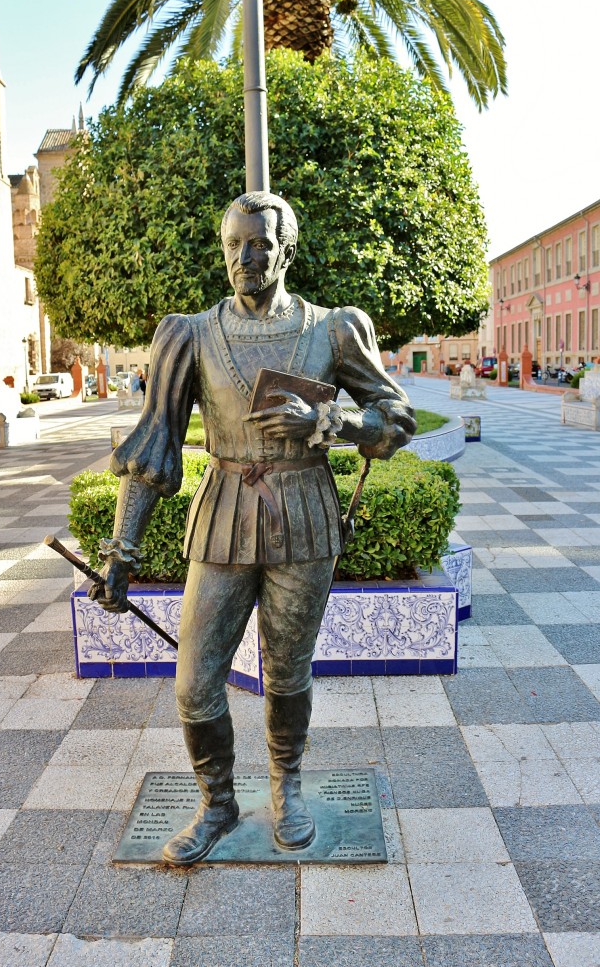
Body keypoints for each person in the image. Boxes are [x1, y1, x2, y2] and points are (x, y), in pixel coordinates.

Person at [89, 191, 416, 865]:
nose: (246, 257)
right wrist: (121, 552)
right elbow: (154, 446)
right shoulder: (190, 333)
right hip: (223, 512)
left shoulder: (333, 329)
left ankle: (287, 785)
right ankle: (217, 801)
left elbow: (396, 420)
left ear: (285, 249)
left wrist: (327, 424)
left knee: (288, 669)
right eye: (235, 245)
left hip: (304, 515)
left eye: (260, 244)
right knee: (194, 680)